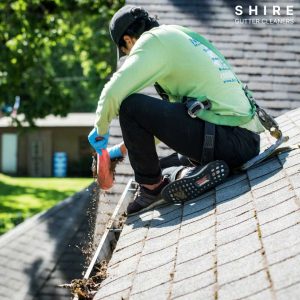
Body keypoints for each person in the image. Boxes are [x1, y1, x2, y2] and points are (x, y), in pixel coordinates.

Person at [88, 5, 265, 214]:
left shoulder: (153, 42)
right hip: (242, 140)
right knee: (157, 166)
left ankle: (153, 188)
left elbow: (112, 93)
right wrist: (118, 151)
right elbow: (169, 124)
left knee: (130, 106)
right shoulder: (179, 35)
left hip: (229, 139)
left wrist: (100, 132)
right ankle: (187, 175)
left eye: (126, 53)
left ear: (128, 40)